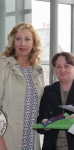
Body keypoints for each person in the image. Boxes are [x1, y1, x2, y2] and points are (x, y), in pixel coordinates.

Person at [0, 22, 45, 150]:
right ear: (13, 42)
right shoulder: (3, 66)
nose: (22, 44)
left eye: (27, 39)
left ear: (34, 43)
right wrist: (1, 142)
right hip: (8, 137)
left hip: (32, 137)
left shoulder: (38, 70)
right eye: (18, 39)